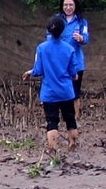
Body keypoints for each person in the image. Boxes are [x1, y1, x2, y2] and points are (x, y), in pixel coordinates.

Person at [26, 15, 80, 155]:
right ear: (63, 31)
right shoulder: (69, 49)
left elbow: (38, 71)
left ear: (48, 30)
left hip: (49, 93)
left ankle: (53, 149)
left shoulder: (41, 48)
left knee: (52, 121)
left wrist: (30, 72)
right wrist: (74, 76)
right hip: (66, 92)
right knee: (70, 118)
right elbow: (73, 72)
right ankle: (72, 145)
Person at [59, 0, 89, 113]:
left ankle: (75, 118)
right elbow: (49, 36)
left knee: (75, 91)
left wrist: (81, 38)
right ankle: (63, 115)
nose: (68, 7)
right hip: (60, 62)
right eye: (65, 5)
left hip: (76, 62)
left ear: (75, 5)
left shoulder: (82, 22)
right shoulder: (57, 20)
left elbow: (86, 38)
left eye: (71, 5)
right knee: (61, 90)